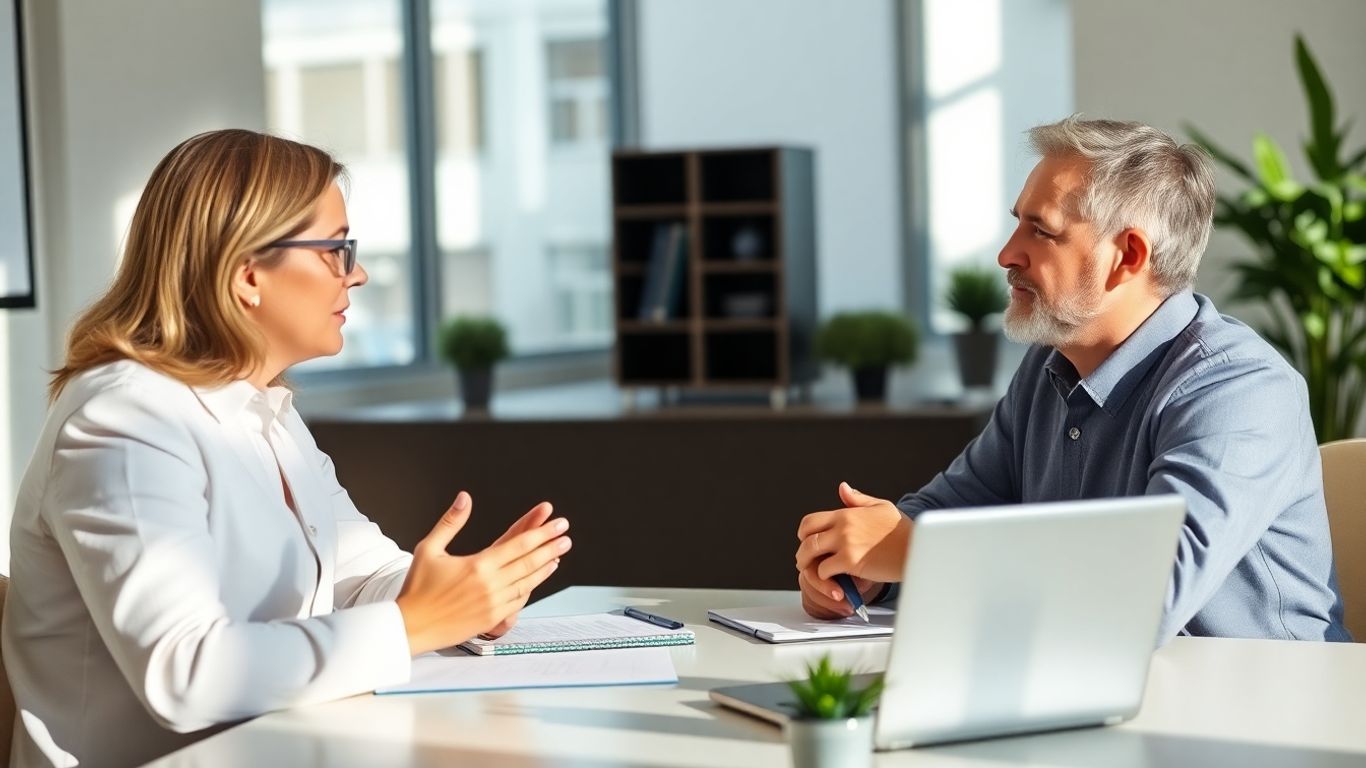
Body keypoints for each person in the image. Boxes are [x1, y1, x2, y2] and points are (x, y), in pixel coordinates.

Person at [3, 130, 573, 767]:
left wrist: (464, 595)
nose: (355, 274)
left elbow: (357, 575)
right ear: (248, 273)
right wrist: (418, 621)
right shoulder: (125, 418)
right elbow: (186, 675)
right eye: (336, 250)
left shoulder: (261, 408)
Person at [794, 116, 1350, 643]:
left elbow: (1144, 595)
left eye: (1040, 231)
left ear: (1128, 255)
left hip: (1262, 715)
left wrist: (915, 553)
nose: (1007, 254)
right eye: (1017, 223)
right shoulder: (1049, 366)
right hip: (1096, 691)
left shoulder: (1241, 390)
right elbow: (951, 510)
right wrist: (865, 571)